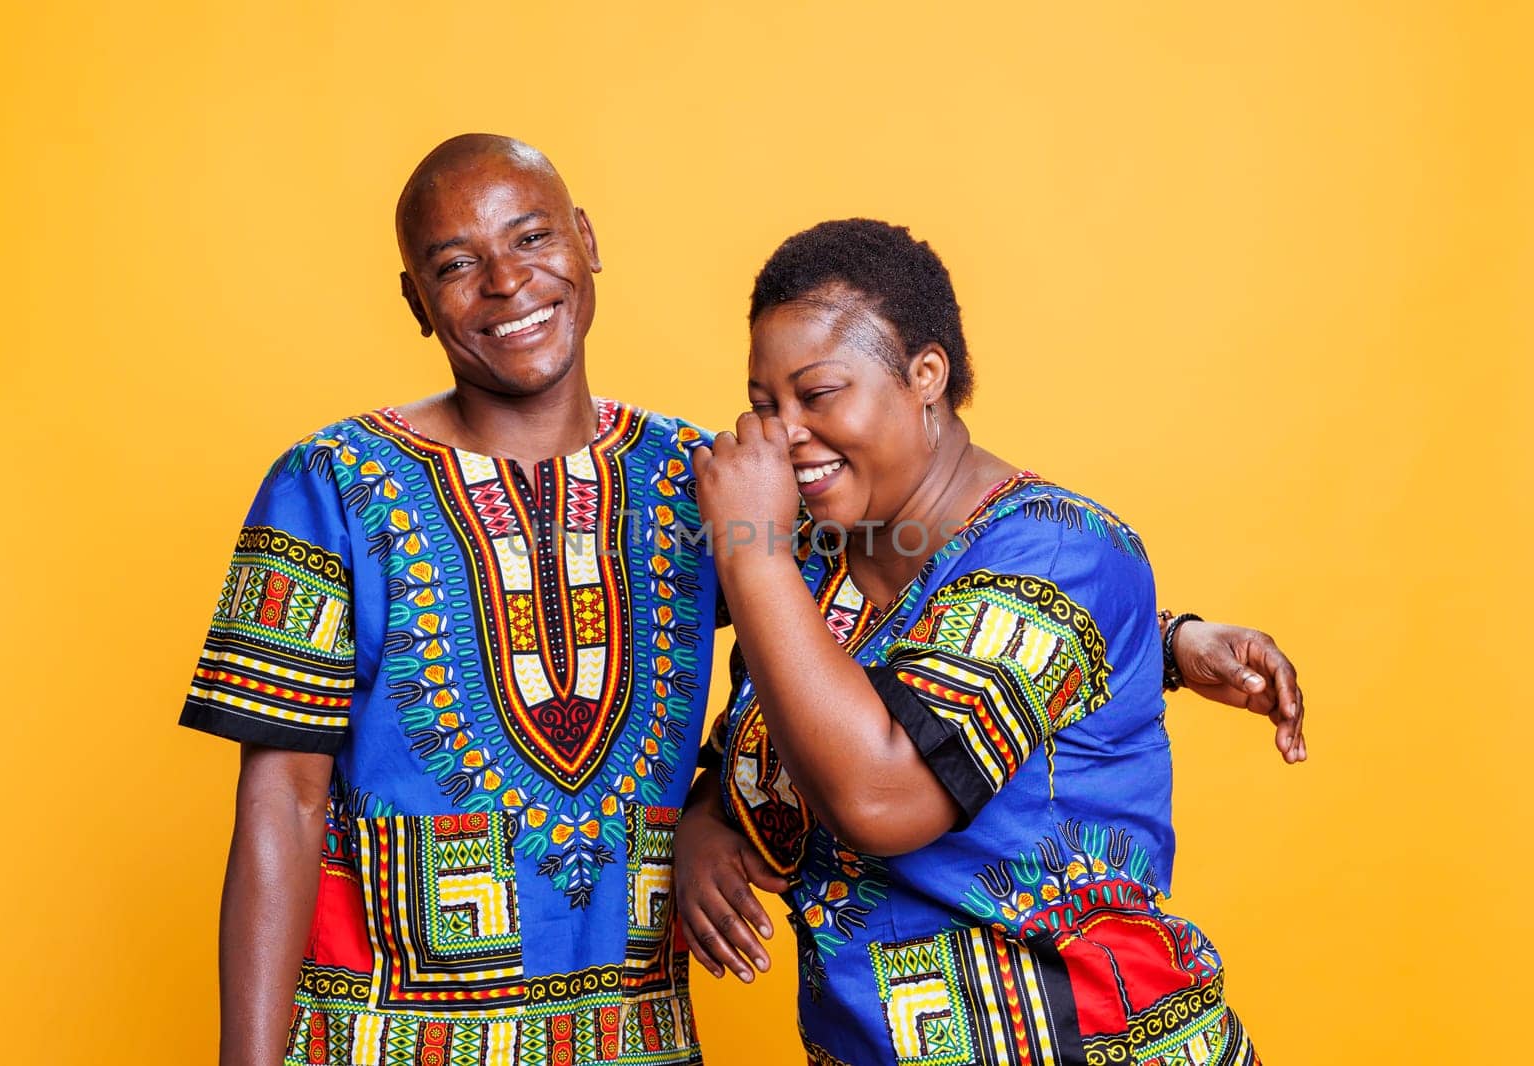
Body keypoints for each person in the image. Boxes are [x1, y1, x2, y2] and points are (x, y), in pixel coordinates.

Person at [180, 135, 1302, 1066]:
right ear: (417, 299)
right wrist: (714, 823)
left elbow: (940, 591)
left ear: (586, 245)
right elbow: (282, 805)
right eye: (456, 261)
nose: (507, 281)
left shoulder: (704, 485)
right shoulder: (335, 485)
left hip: (677, 1037)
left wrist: (1153, 635)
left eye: (530, 237)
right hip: (390, 1033)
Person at [679, 219, 1302, 1065]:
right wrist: (710, 817)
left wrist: (749, 550)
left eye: (818, 393)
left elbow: (881, 796)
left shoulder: (1059, 550)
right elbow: (792, 718)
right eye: (764, 405)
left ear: (925, 375)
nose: (783, 433)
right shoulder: (814, 567)